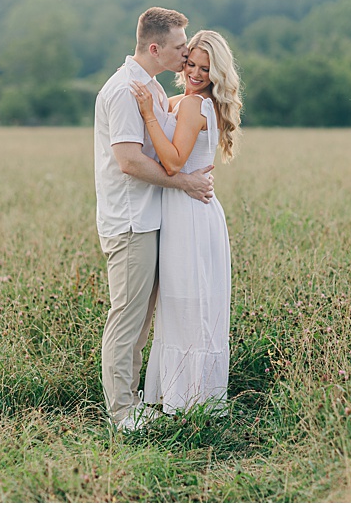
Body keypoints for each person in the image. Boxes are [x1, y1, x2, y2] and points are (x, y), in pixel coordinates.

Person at [93, 7, 214, 431]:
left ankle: (133, 401)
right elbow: (128, 162)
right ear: (156, 47)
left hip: (151, 217)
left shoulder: (154, 90)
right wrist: (184, 183)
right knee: (127, 316)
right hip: (129, 221)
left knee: (142, 317)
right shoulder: (126, 90)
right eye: (181, 47)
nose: (186, 54)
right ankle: (121, 413)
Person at [130, 30, 243, 415]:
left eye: (204, 68)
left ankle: (189, 401)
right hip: (188, 209)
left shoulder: (195, 105)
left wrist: (146, 114)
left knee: (186, 304)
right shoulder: (186, 102)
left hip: (190, 213)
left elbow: (175, 162)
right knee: (183, 305)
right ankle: (187, 396)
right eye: (191, 63)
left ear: (217, 73)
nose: (194, 72)